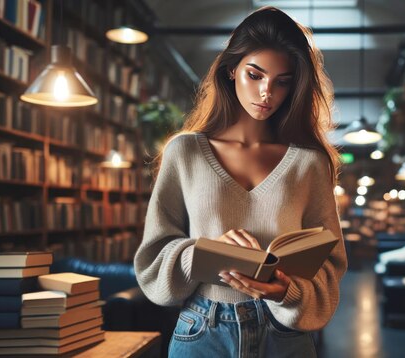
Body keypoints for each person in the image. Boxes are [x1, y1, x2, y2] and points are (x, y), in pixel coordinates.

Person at [133, 6, 347, 358]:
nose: (267, 93)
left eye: (282, 81)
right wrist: (205, 252)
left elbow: (332, 264)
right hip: (203, 329)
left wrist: (285, 292)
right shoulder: (185, 152)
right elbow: (153, 258)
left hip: (284, 334)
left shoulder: (309, 163)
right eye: (255, 74)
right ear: (231, 70)